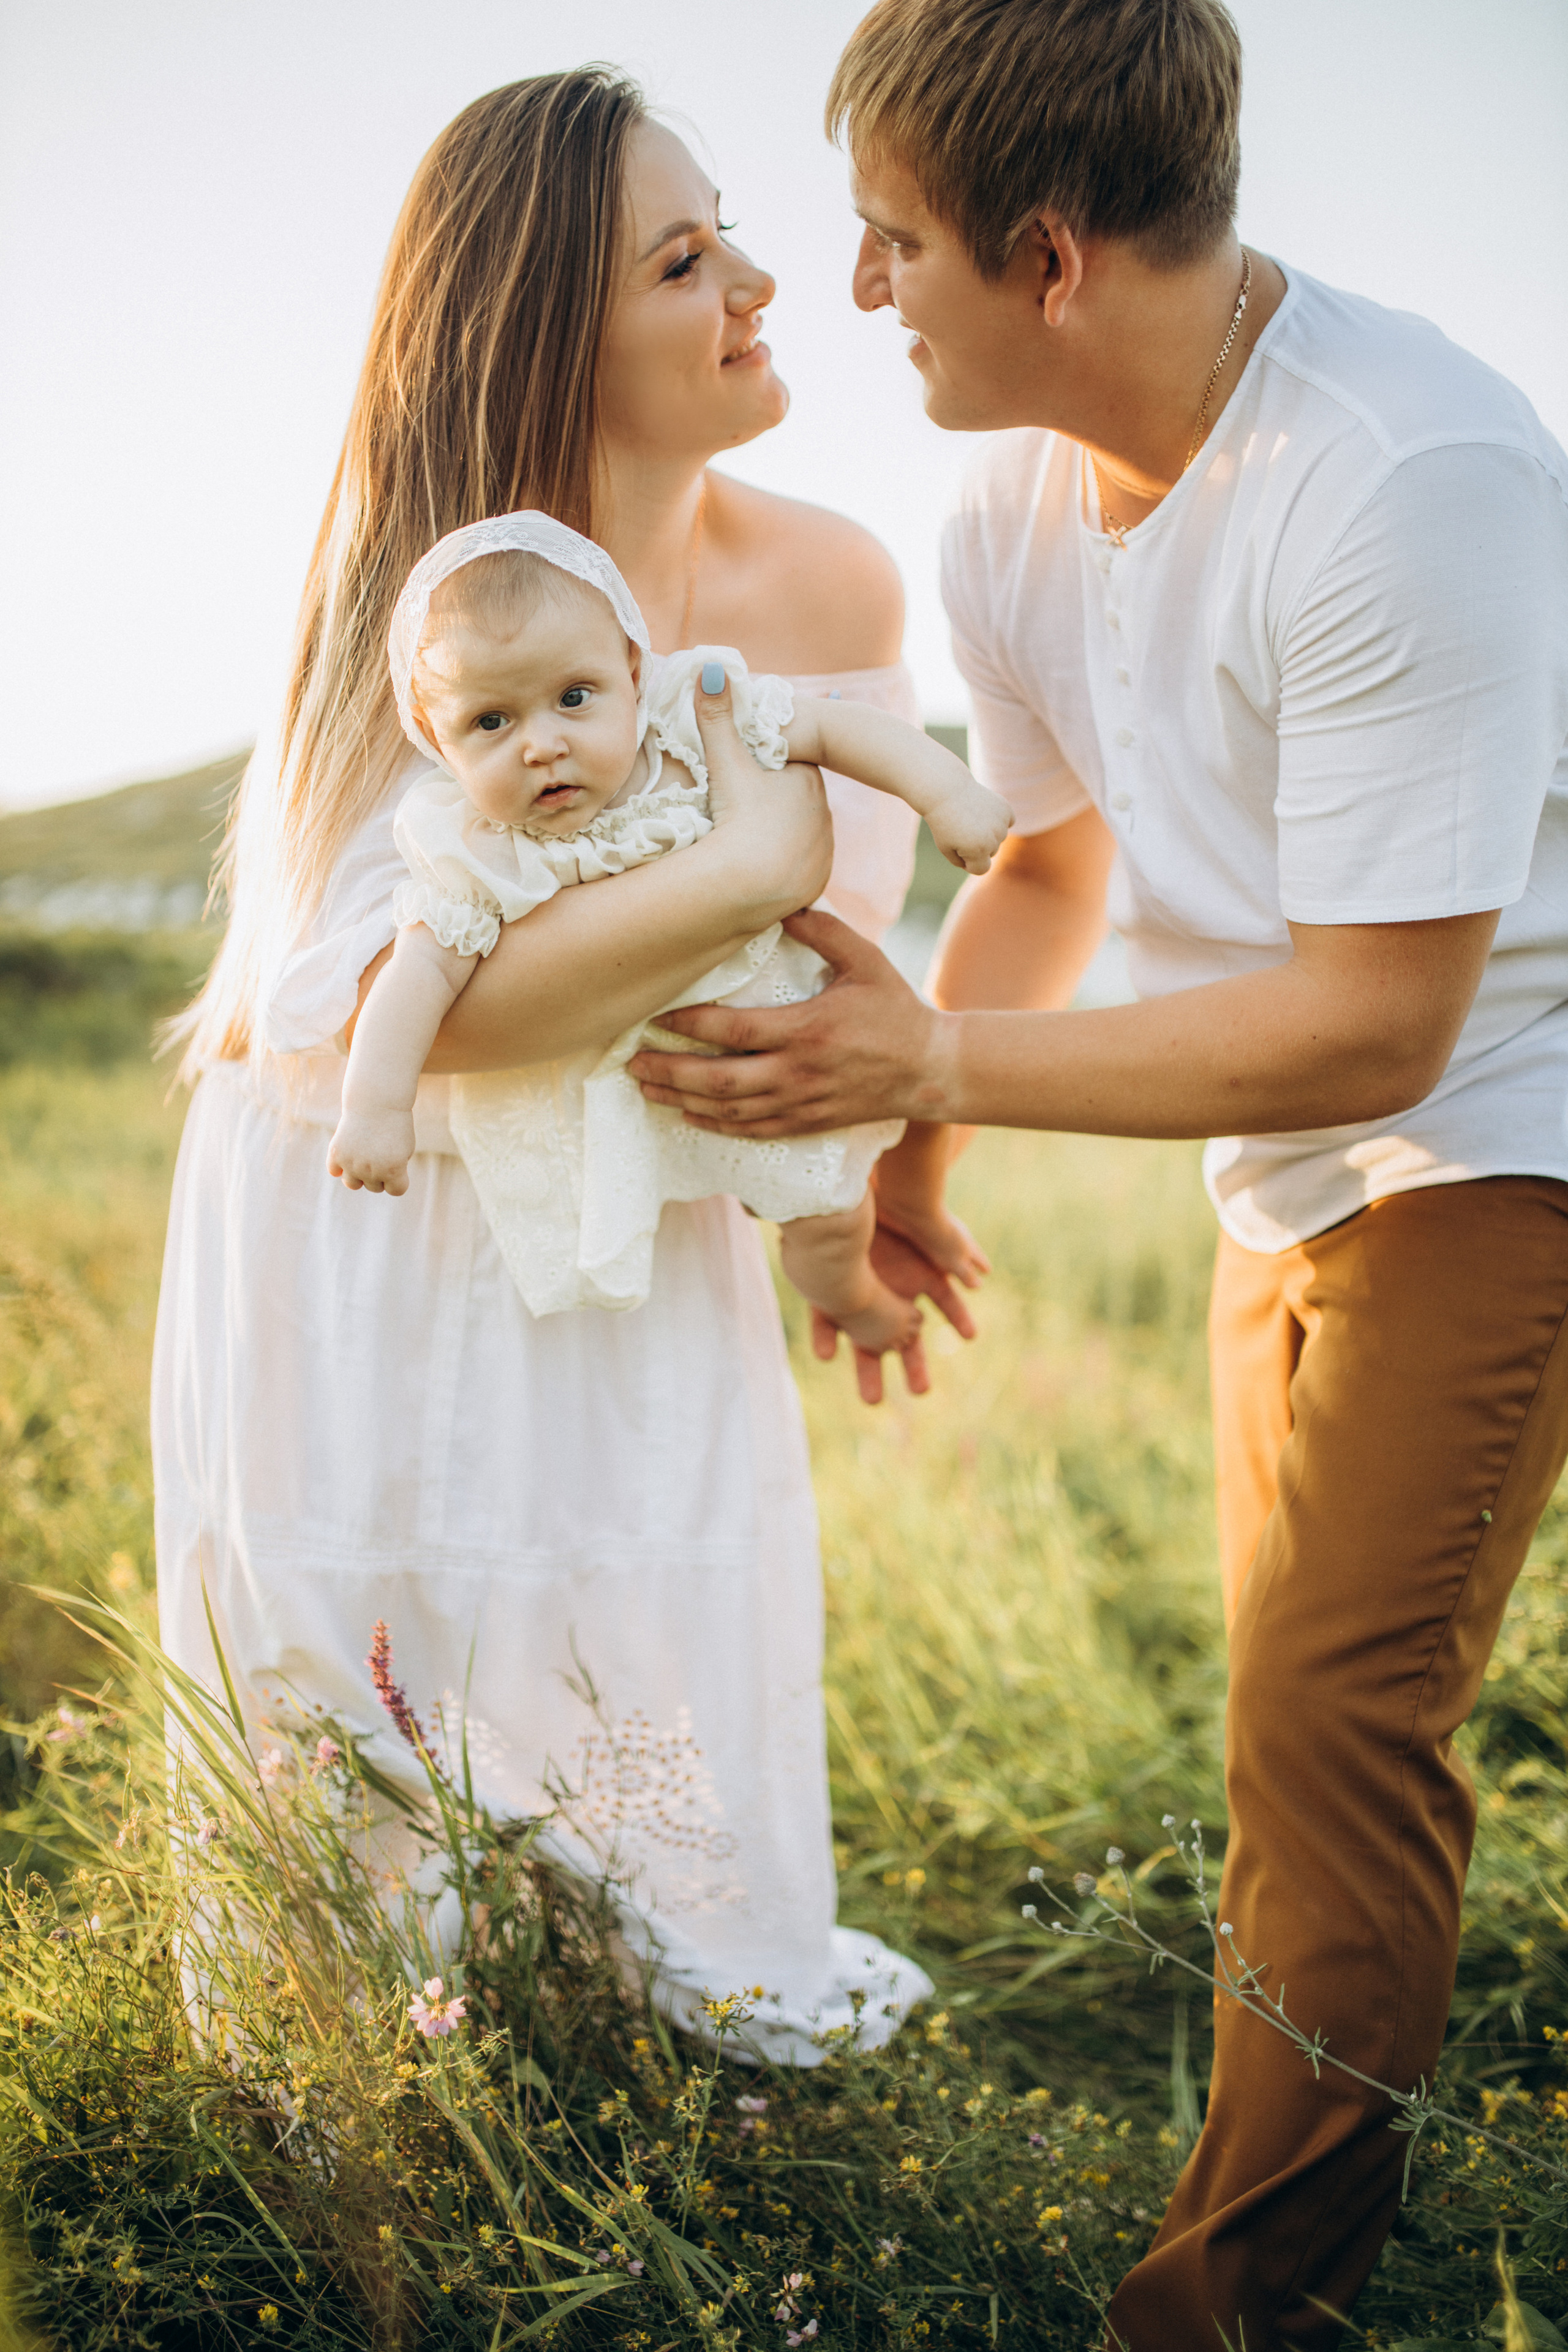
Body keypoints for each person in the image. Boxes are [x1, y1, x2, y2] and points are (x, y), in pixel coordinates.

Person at [628, 0, 1568, 2336]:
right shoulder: (1008, 489)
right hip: (1285, 1162)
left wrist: (927, 1046)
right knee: (1291, 1705)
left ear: (1044, 254)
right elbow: (1049, 856)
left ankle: (1230, 2316)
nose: (853, 292)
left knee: (1336, 1728)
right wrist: (927, 1130)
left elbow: (1387, 1018)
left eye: (889, 244)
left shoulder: (1411, 473)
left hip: (1501, 1133)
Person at [154, 67, 954, 2066]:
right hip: (381, 1209)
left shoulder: (833, 586)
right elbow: (363, 1010)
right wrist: (752, 853)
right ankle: (393, 2117)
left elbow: (787, 986)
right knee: (394, 1718)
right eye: (684, 262)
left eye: (728, 231)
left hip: (633, 1205)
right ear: (537, 328)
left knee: (642, 1678)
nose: (762, 283)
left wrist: (859, 1204)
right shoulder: (418, 606)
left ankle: (651, 2101)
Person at [329, 510, 1005, 1355]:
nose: (543, 744)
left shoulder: (687, 724)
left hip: (778, 1055)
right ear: (436, 737)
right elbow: (418, 976)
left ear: (632, 669)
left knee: (828, 1221)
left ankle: (859, 1304)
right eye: (491, 723)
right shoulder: (476, 849)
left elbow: (833, 730)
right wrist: (374, 1108)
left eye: (574, 698)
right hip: (637, 1098)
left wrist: (946, 793)